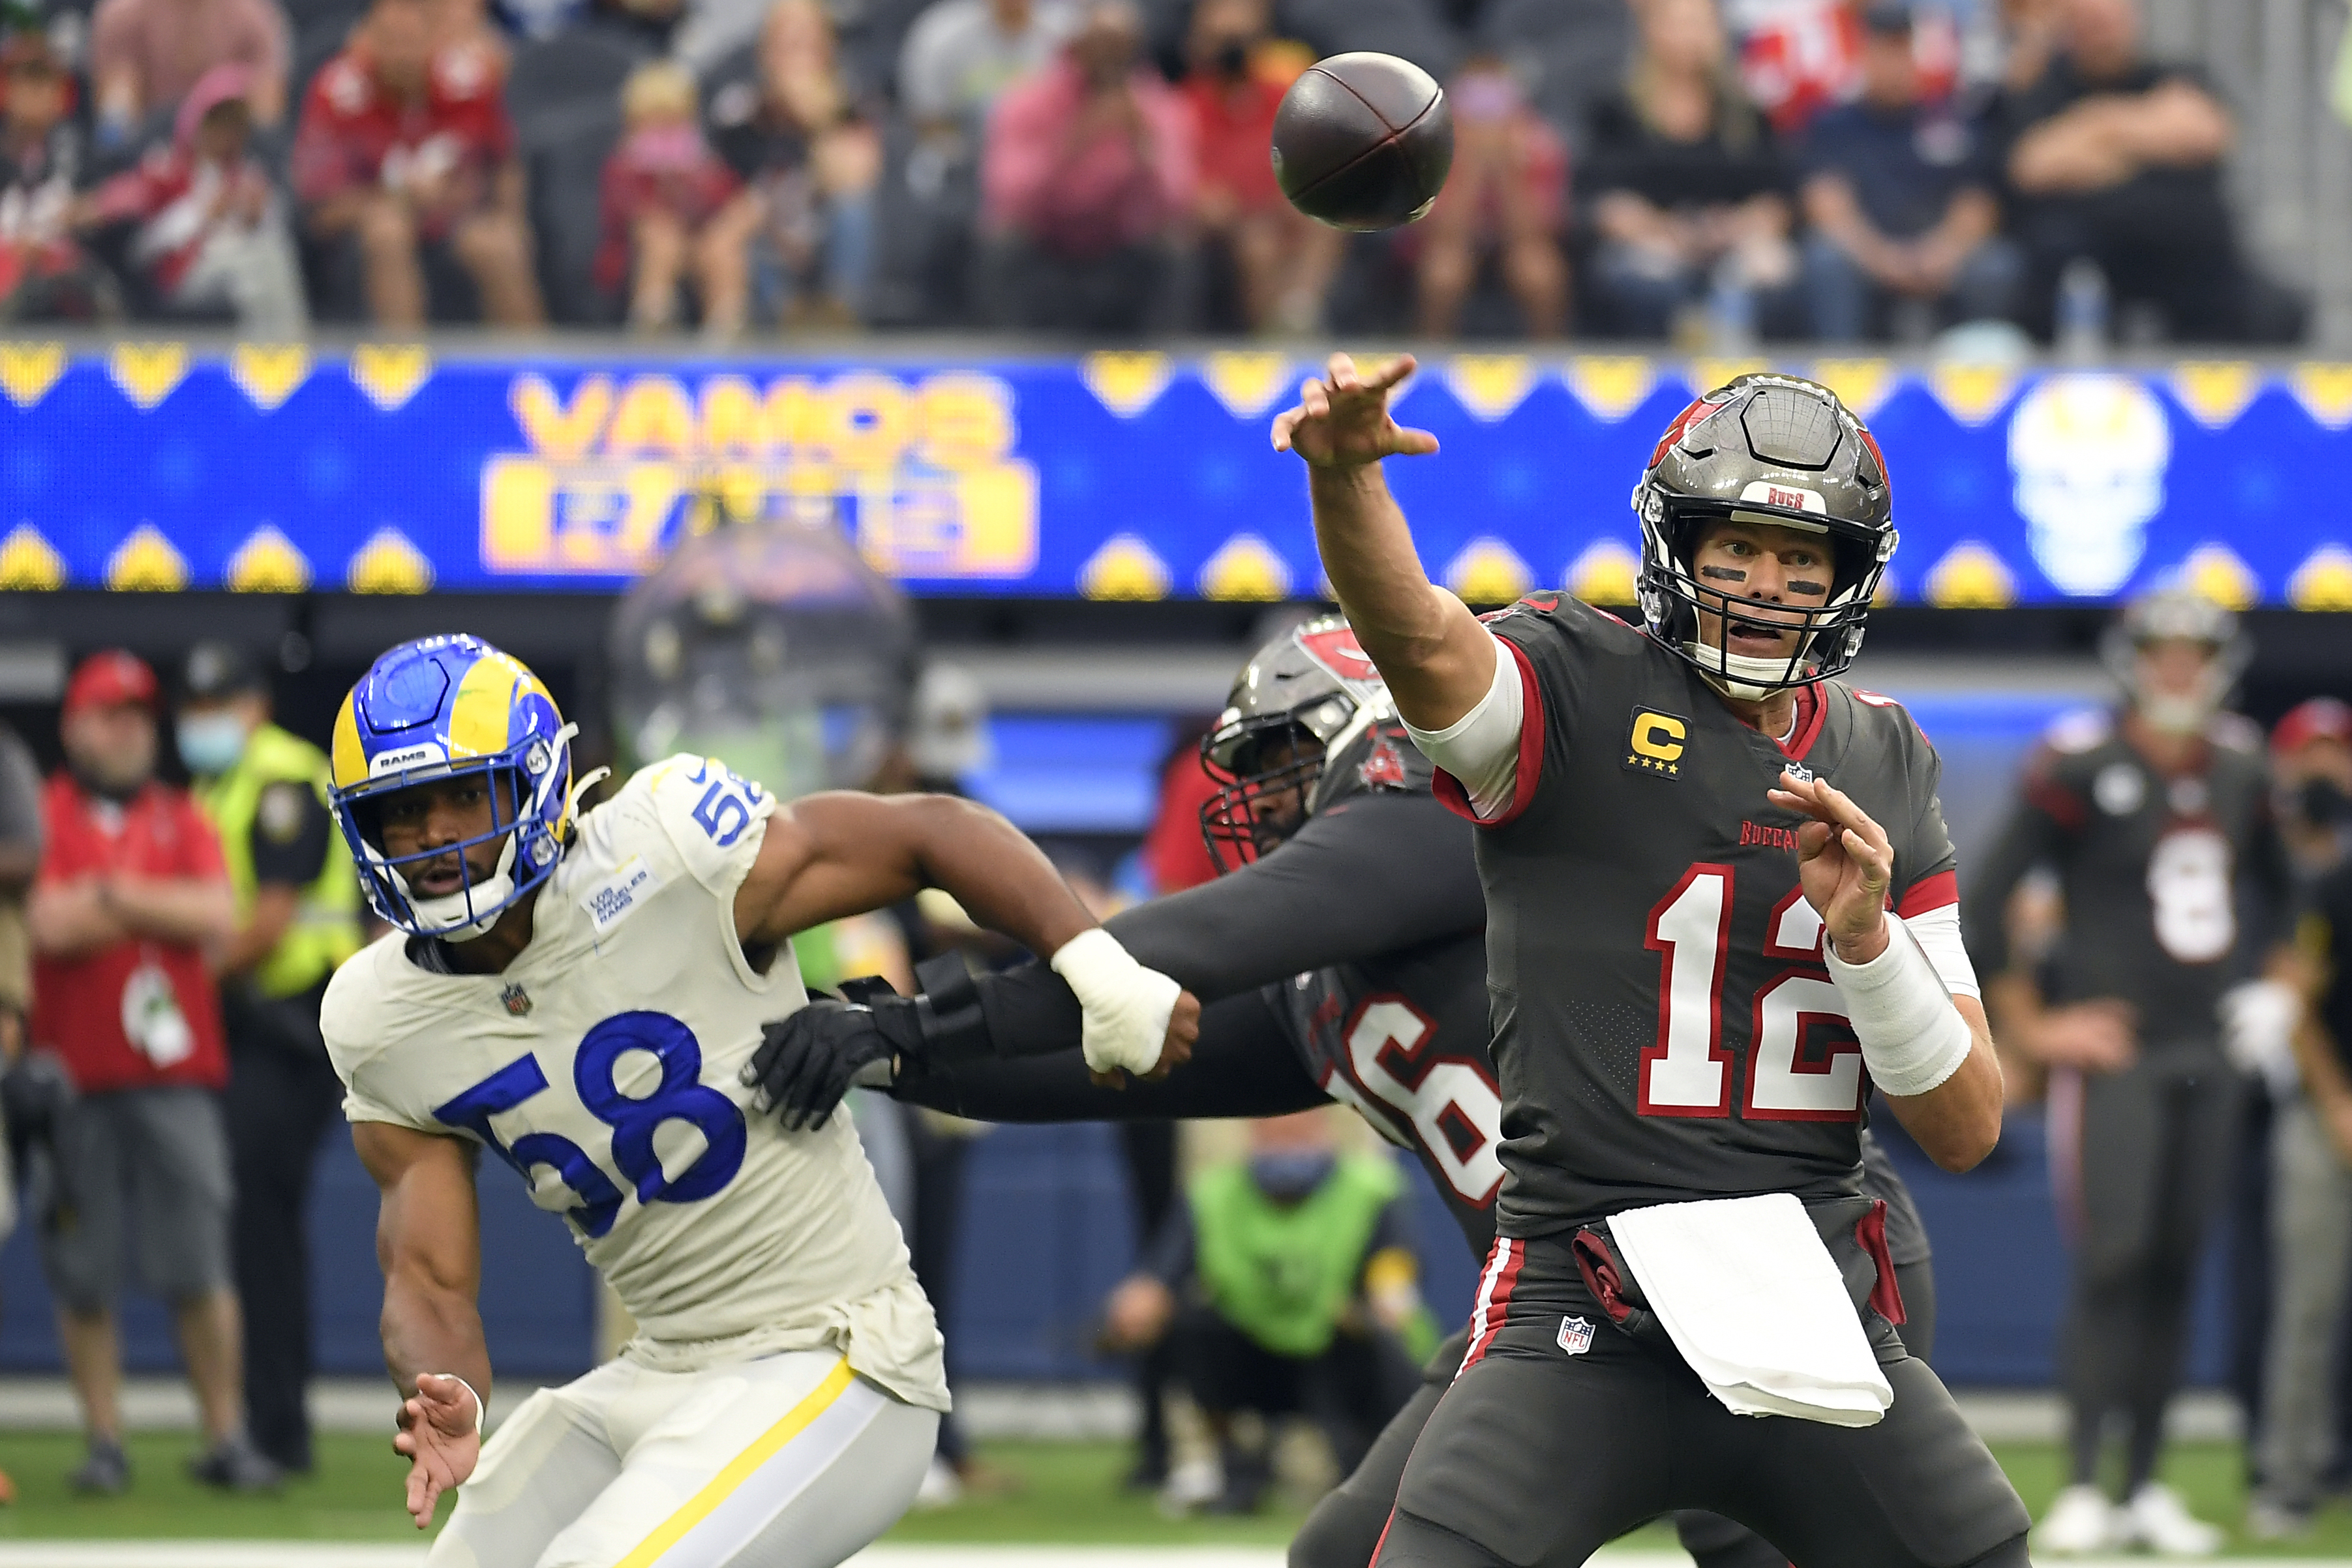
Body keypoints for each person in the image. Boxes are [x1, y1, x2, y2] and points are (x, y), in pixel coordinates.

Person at [754, 612, 1947, 1568]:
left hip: (1760, 1252)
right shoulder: (1323, 987)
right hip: (1571, 1302)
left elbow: (1166, 950)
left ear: (1365, 732)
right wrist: (895, 1051)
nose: (1260, 806)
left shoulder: (1442, 830)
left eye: (1279, 762)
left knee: (1761, 1537)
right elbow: (1110, 1050)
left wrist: (915, 1011)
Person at [1264, 354, 2024, 1568]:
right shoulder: (1576, 684)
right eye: (1736, 549)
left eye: (1800, 559)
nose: (1767, 586)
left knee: (1978, 1551)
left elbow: (1967, 1122)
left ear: (1846, 577)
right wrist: (1347, 481)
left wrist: (1869, 940)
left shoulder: (1887, 758)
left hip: (1809, 1293)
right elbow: (1416, 635)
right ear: (1676, 548)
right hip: (1585, 1286)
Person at [317, 633, 1196, 1561]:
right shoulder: (382, 1016)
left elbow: (928, 832)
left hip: (838, 1352)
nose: (435, 836)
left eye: (466, 796)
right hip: (664, 1364)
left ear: (538, 781)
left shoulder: (666, 851)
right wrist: (445, 1387)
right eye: (402, 811)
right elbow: (426, 1277)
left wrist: (1094, 961)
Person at [1966, 586, 2295, 1554]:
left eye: (2195, 653)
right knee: (2112, 1259)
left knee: (2175, 1264)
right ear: (2133, 659)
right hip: (2120, 1050)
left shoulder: (2242, 766)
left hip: (2211, 1050)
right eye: (2165, 652)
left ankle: (2143, 1483)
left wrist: (2277, 987)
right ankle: (2079, 1483)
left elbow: (2287, 902)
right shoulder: (2078, 763)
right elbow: (1982, 906)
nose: (2179, 671)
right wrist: (2038, 1030)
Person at [25, 651, 277, 1496]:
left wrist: (109, 894)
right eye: (109, 714)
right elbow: (46, 924)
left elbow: (217, 914)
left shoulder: (183, 815)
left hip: (176, 1074)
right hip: (71, 1073)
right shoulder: (40, 812)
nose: (127, 730)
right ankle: (105, 1439)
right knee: (83, 1266)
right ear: (74, 723)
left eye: (138, 715)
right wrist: (141, 904)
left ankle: (225, 1434)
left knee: (200, 1260)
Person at [173, 642, 364, 1477]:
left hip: (290, 1025)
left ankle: (279, 1431)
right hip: (244, 1026)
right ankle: (265, 1425)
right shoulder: (218, 785)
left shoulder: (285, 777)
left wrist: (174, 981)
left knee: (263, 1226)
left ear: (252, 704)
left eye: (219, 703)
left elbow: (272, 919)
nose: (204, 721)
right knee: (252, 1227)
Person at [1103, 1108, 1426, 1516]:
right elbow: (1157, 1281)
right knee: (1186, 1330)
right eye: (1274, 1135)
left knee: (1380, 1347)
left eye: (1298, 1134)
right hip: (1253, 1356)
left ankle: (1384, 1469)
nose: (1285, 1146)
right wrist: (1140, 1300)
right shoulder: (1214, 1194)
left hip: (1334, 1357)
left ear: (1327, 1133)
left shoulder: (1368, 1190)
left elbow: (1395, 1274)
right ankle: (1233, 1464)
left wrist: (1385, 1299)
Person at [1993, 0, 2257, 342]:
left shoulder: (2177, 75)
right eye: (2091, 23)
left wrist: (2096, 130)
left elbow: (2209, 134)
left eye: (2110, 21)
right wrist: (2148, 136)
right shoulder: (2044, 88)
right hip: (2088, 254)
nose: (2102, 33)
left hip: (2181, 245)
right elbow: (2033, 166)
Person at [290, 0, 543, 328]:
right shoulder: (335, 93)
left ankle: (530, 369)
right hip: (368, 220)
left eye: (412, 41)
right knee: (388, 232)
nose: (402, 54)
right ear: (366, 41)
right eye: (391, 41)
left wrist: (510, 217)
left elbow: (505, 161)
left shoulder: (470, 81)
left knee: (501, 245)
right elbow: (319, 206)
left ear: (436, 40)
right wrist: (397, 198)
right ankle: (404, 366)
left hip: (454, 215)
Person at [2251, 797, 2352, 1538]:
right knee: (2309, 1307)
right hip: (2330, 1119)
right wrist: (2338, 1100)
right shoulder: (2334, 881)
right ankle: (2286, 1481)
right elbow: (2297, 997)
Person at [1581, 0, 1797, 342]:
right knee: (1644, 275)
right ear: (1651, 30)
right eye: (1679, 24)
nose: (1689, 37)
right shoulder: (1616, 113)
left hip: (1732, 246)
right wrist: (1664, 230)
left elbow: (1778, 198)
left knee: (1771, 268)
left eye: (1700, 25)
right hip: (1651, 243)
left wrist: (1737, 227)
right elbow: (1603, 202)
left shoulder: (1746, 115)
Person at [1799, 4, 2017, 341]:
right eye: (1883, 51)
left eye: (1902, 51)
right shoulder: (1835, 127)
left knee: (1996, 264)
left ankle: (1978, 375)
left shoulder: (1951, 120)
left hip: (1942, 258)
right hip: (1866, 257)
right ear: (1864, 56)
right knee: (1825, 259)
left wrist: (1943, 252)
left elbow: (1977, 202)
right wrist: (1884, 260)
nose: (1894, 65)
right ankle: (1840, 371)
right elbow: (1827, 207)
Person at [980, 0, 1194, 334]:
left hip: (1123, 255)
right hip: (1047, 250)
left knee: (1174, 248)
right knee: (1002, 243)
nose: (1107, 59)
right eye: (1098, 45)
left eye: (1117, 46)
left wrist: (1144, 148)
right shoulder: (1028, 102)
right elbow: (1007, 198)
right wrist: (1072, 144)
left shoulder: (1158, 109)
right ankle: (1013, 361)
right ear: (1075, 47)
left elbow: (1178, 202)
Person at [80, 64, 309, 336]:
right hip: (181, 276)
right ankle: (285, 354)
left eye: (234, 125)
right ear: (197, 122)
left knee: (269, 258)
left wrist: (260, 216)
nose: (226, 134)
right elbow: (141, 247)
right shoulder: (166, 169)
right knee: (254, 265)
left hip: (243, 269)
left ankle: (288, 356)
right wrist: (202, 213)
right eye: (218, 123)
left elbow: (276, 234)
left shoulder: (249, 174)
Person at [708, 0, 881, 328]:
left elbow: (857, 176)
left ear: (828, 51)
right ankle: (776, 321)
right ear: (765, 53)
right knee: (742, 230)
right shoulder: (740, 110)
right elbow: (728, 190)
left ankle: (839, 314)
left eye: (808, 44)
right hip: (766, 236)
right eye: (787, 45)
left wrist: (818, 121)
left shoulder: (853, 104)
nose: (798, 58)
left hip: (825, 234)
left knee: (854, 211)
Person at [1175, 0, 1338, 334]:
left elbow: (1304, 160)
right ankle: (1269, 342)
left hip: (1278, 208)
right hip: (1222, 221)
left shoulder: (1285, 97)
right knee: (1258, 245)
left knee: (1326, 218)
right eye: (1223, 42)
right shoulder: (1187, 103)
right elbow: (1183, 178)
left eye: (1242, 40)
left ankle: (1301, 313)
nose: (1233, 54)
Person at [597, 61, 762, 335]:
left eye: (673, 119)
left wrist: (692, 180)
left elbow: (727, 199)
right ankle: (652, 319)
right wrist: (661, 185)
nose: (663, 128)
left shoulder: (702, 163)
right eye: (654, 119)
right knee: (662, 239)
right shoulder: (621, 166)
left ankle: (728, 326)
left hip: (697, 244)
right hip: (638, 252)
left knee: (723, 250)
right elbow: (628, 213)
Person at [1411, 53, 1568, 340]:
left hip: (1516, 242)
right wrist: (1471, 165)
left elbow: (1535, 232)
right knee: (1443, 271)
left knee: (1538, 269)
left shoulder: (1541, 145)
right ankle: (1427, 351)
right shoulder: (1435, 145)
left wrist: (1507, 170)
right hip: (1455, 243)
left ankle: (1550, 353)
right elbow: (1442, 231)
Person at [0, 34, 118, 324]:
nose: (35, 96)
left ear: (60, 95)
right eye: (26, 84)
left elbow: (107, 208)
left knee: (95, 285)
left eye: (44, 85)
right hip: (7, 262)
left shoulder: (82, 154)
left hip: (63, 266)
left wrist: (84, 212)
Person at [88, 0, 288, 145]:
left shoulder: (254, 17)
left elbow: (267, 113)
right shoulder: (125, 14)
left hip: (227, 151)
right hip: (150, 151)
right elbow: (117, 101)